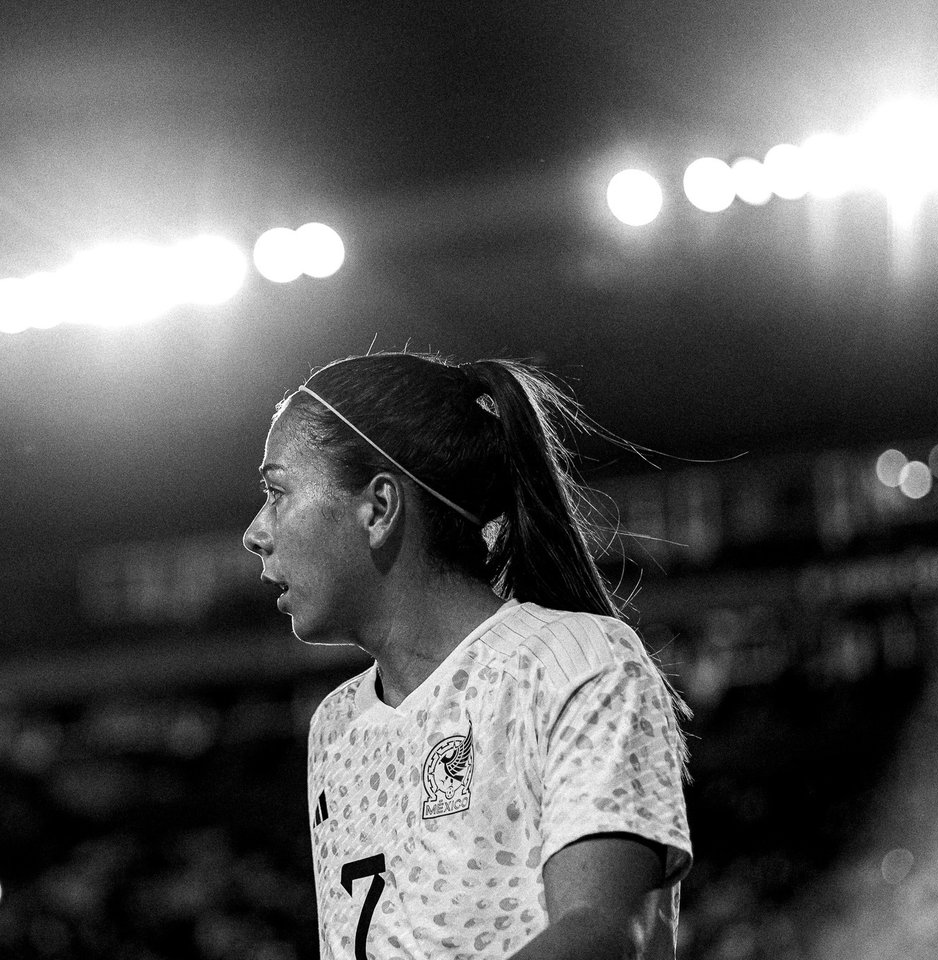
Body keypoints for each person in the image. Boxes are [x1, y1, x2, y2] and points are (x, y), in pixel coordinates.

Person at [242, 351, 691, 960]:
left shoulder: (576, 664)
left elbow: (606, 933)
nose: (255, 532)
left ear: (378, 508)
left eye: (276, 492)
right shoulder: (335, 726)